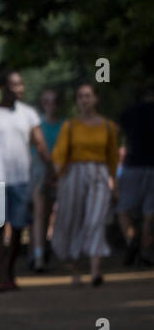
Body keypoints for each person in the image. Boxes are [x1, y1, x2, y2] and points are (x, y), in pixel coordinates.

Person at [0, 70, 54, 293]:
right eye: (15, 85)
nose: (21, 89)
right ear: (3, 88)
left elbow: (39, 143)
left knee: (19, 228)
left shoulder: (28, 114)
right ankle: (1, 277)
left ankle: (10, 271)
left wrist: (51, 165)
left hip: (21, 180)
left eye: (22, 85)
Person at [51, 83, 120, 287]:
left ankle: (95, 271)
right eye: (81, 96)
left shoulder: (108, 126)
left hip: (99, 173)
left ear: (96, 99)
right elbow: (60, 154)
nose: (84, 100)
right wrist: (57, 177)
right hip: (74, 173)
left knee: (96, 219)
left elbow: (113, 156)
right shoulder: (70, 125)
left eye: (88, 96)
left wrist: (115, 183)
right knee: (74, 219)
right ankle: (75, 270)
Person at [117, 85, 154, 267]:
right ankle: (145, 252)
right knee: (150, 213)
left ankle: (131, 240)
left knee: (123, 208)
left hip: (133, 165)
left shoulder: (131, 111)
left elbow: (116, 132)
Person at [30, 88, 64, 272]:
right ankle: (38, 256)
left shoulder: (65, 125)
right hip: (40, 172)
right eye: (47, 102)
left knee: (57, 215)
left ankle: (52, 250)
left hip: (60, 173)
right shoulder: (37, 125)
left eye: (54, 101)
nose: (51, 105)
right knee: (40, 215)